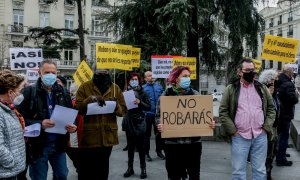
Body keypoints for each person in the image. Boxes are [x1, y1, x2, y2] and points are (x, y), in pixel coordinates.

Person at [16, 59, 77, 180]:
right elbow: (18, 119)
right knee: (39, 178)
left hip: (59, 144)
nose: (50, 75)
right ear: (40, 73)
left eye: (53, 73)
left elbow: (71, 115)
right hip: (38, 146)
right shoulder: (29, 92)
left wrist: (73, 127)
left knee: (62, 175)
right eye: (47, 72)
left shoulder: (63, 92)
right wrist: (40, 123)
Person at [219, 58, 275, 180]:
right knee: (238, 172)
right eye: (247, 70)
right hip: (240, 136)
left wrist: (266, 128)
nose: (251, 72)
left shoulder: (262, 88)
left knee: (260, 171)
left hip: (260, 135)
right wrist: (233, 131)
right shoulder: (231, 89)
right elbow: (223, 112)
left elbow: (271, 109)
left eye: (252, 70)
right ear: (239, 72)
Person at [156, 66, 216, 180]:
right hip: (172, 145)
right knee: (174, 176)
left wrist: (210, 124)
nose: (187, 79)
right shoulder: (166, 95)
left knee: (194, 175)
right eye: (184, 76)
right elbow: (158, 115)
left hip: (193, 145)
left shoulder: (196, 95)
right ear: (176, 78)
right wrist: (159, 124)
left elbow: (204, 116)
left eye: (188, 76)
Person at [75, 67, 127, 180]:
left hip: (108, 137)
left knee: (103, 168)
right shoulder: (85, 87)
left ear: (108, 73)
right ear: (94, 73)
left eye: (105, 72)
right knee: (87, 169)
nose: (102, 74)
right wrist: (90, 99)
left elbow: (123, 110)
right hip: (90, 137)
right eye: (99, 72)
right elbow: (78, 108)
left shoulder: (115, 88)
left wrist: (115, 105)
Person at [123, 73, 150, 179]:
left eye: (136, 79)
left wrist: (140, 102)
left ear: (139, 81)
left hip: (140, 121)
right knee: (130, 147)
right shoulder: (126, 92)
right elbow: (122, 108)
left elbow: (149, 107)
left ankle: (143, 168)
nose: (134, 81)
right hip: (129, 121)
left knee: (141, 147)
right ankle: (130, 168)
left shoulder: (143, 92)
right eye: (132, 79)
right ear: (129, 81)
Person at [0, 70, 26, 179]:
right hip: (5, 172)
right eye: (19, 90)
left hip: (9, 172)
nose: (20, 94)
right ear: (10, 92)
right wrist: (10, 162)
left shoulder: (7, 108)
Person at [258, 69, 280, 180]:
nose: (275, 81)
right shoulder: (262, 92)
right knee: (266, 153)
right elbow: (263, 109)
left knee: (273, 151)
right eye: (273, 79)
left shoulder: (275, 92)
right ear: (268, 80)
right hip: (266, 128)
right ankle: (265, 175)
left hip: (274, 128)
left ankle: (268, 173)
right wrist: (269, 95)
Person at [276, 66, 299, 166]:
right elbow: (293, 99)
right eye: (292, 72)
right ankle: (281, 159)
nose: (293, 73)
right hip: (286, 112)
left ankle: (281, 152)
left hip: (280, 112)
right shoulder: (288, 84)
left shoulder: (278, 81)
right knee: (284, 135)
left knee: (281, 135)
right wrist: (296, 95)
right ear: (289, 73)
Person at [142, 71, 165, 161]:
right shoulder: (143, 88)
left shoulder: (159, 87)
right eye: (149, 76)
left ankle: (159, 151)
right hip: (148, 115)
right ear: (145, 78)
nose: (151, 77)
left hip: (158, 115)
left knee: (159, 133)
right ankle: (146, 153)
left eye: (152, 75)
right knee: (147, 135)